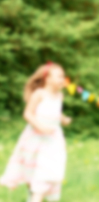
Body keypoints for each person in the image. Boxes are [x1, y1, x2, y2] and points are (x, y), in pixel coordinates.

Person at [0, 62, 71, 202]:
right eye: (59, 76)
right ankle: (34, 196)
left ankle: (37, 196)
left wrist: (63, 119)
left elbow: (55, 112)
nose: (63, 79)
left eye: (63, 76)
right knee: (34, 170)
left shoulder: (60, 95)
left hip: (53, 140)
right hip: (35, 138)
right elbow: (27, 114)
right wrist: (40, 126)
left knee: (49, 169)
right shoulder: (39, 94)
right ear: (47, 79)